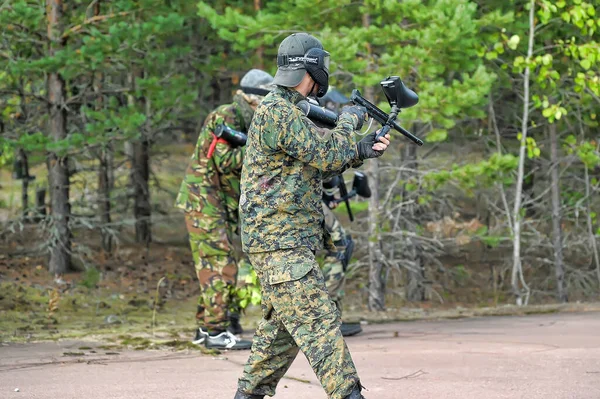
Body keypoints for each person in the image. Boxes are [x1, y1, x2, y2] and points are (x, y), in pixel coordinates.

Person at [234, 33, 391, 399]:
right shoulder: (277, 111)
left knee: (283, 334)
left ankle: (251, 394)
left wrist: (362, 149)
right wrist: (350, 122)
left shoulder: (288, 109)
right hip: (278, 243)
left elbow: (316, 162)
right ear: (314, 66)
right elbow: (326, 152)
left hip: (287, 242)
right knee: (320, 325)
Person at [175, 69, 274, 350]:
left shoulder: (243, 117)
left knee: (214, 264)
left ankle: (205, 328)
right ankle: (217, 333)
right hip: (204, 201)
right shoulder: (227, 115)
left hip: (215, 202)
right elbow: (225, 160)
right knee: (220, 265)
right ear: (254, 97)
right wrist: (261, 149)